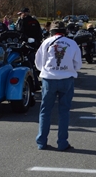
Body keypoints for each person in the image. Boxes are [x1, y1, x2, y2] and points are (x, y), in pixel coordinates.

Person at [35, 21, 82, 151]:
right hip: (66, 79)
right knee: (64, 111)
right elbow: (78, 65)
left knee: (45, 111)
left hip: (49, 79)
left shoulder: (46, 42)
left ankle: (42, 142)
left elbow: (39, 63)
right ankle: (62, 142)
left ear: (52, 31)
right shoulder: (72, 43)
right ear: (65, 31)